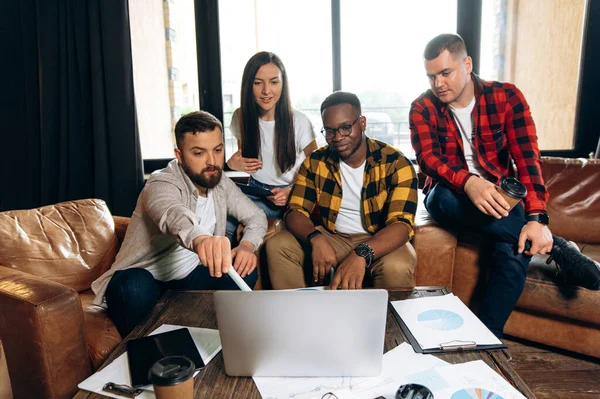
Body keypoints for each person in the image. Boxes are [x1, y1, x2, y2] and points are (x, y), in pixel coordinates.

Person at [409, 33, 600, 338]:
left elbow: (527, 160)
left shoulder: (506, 97)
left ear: (467, 64)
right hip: (446, 192)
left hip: (500, 197)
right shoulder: (422, 108)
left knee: (516, 247)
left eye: (446, 73)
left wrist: (536, 219)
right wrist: (468, 182)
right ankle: (559, 246)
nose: (438, 83)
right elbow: (428, 159)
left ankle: (487, 339)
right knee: (446, 197)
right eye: (431, 76)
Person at [91, 111, 267, 337]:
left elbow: (256, 216)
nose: (212, 162)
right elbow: (171, 213)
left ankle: (218, 341)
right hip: (146, 276)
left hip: (188, 276)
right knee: (132, 286)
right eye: (198, 153)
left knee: (244, 270)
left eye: (217, 150)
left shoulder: (220, 182)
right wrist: (201, 238)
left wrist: (247, 246)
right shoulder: (161, 182)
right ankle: (142, 351)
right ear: (180, 155)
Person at [266, 91, 418, 290]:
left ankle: (386, 321)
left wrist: (362, 253)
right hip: (333, 236)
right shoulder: (316, 161)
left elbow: (402, 225)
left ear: (362, 123)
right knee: (278, 246)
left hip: (379, 238)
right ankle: (300, 315)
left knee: (397, 266)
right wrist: (315, 238)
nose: (337, 138)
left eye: (345, 128)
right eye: (330, 131)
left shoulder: (396, 163)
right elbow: (295, 210)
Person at [226, 51, 317, 237]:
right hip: (253, 190)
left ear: (283, 84)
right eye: (258, 83)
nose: (266, 91)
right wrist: (231, 165)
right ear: (248, 85)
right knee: (218, 223)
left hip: (285, 196)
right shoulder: (241, 116)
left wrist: (291, 189)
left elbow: (317, 168)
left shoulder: (299, 121)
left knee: (239, 230)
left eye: (274, 82)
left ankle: (279, 224)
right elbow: (246, 160)